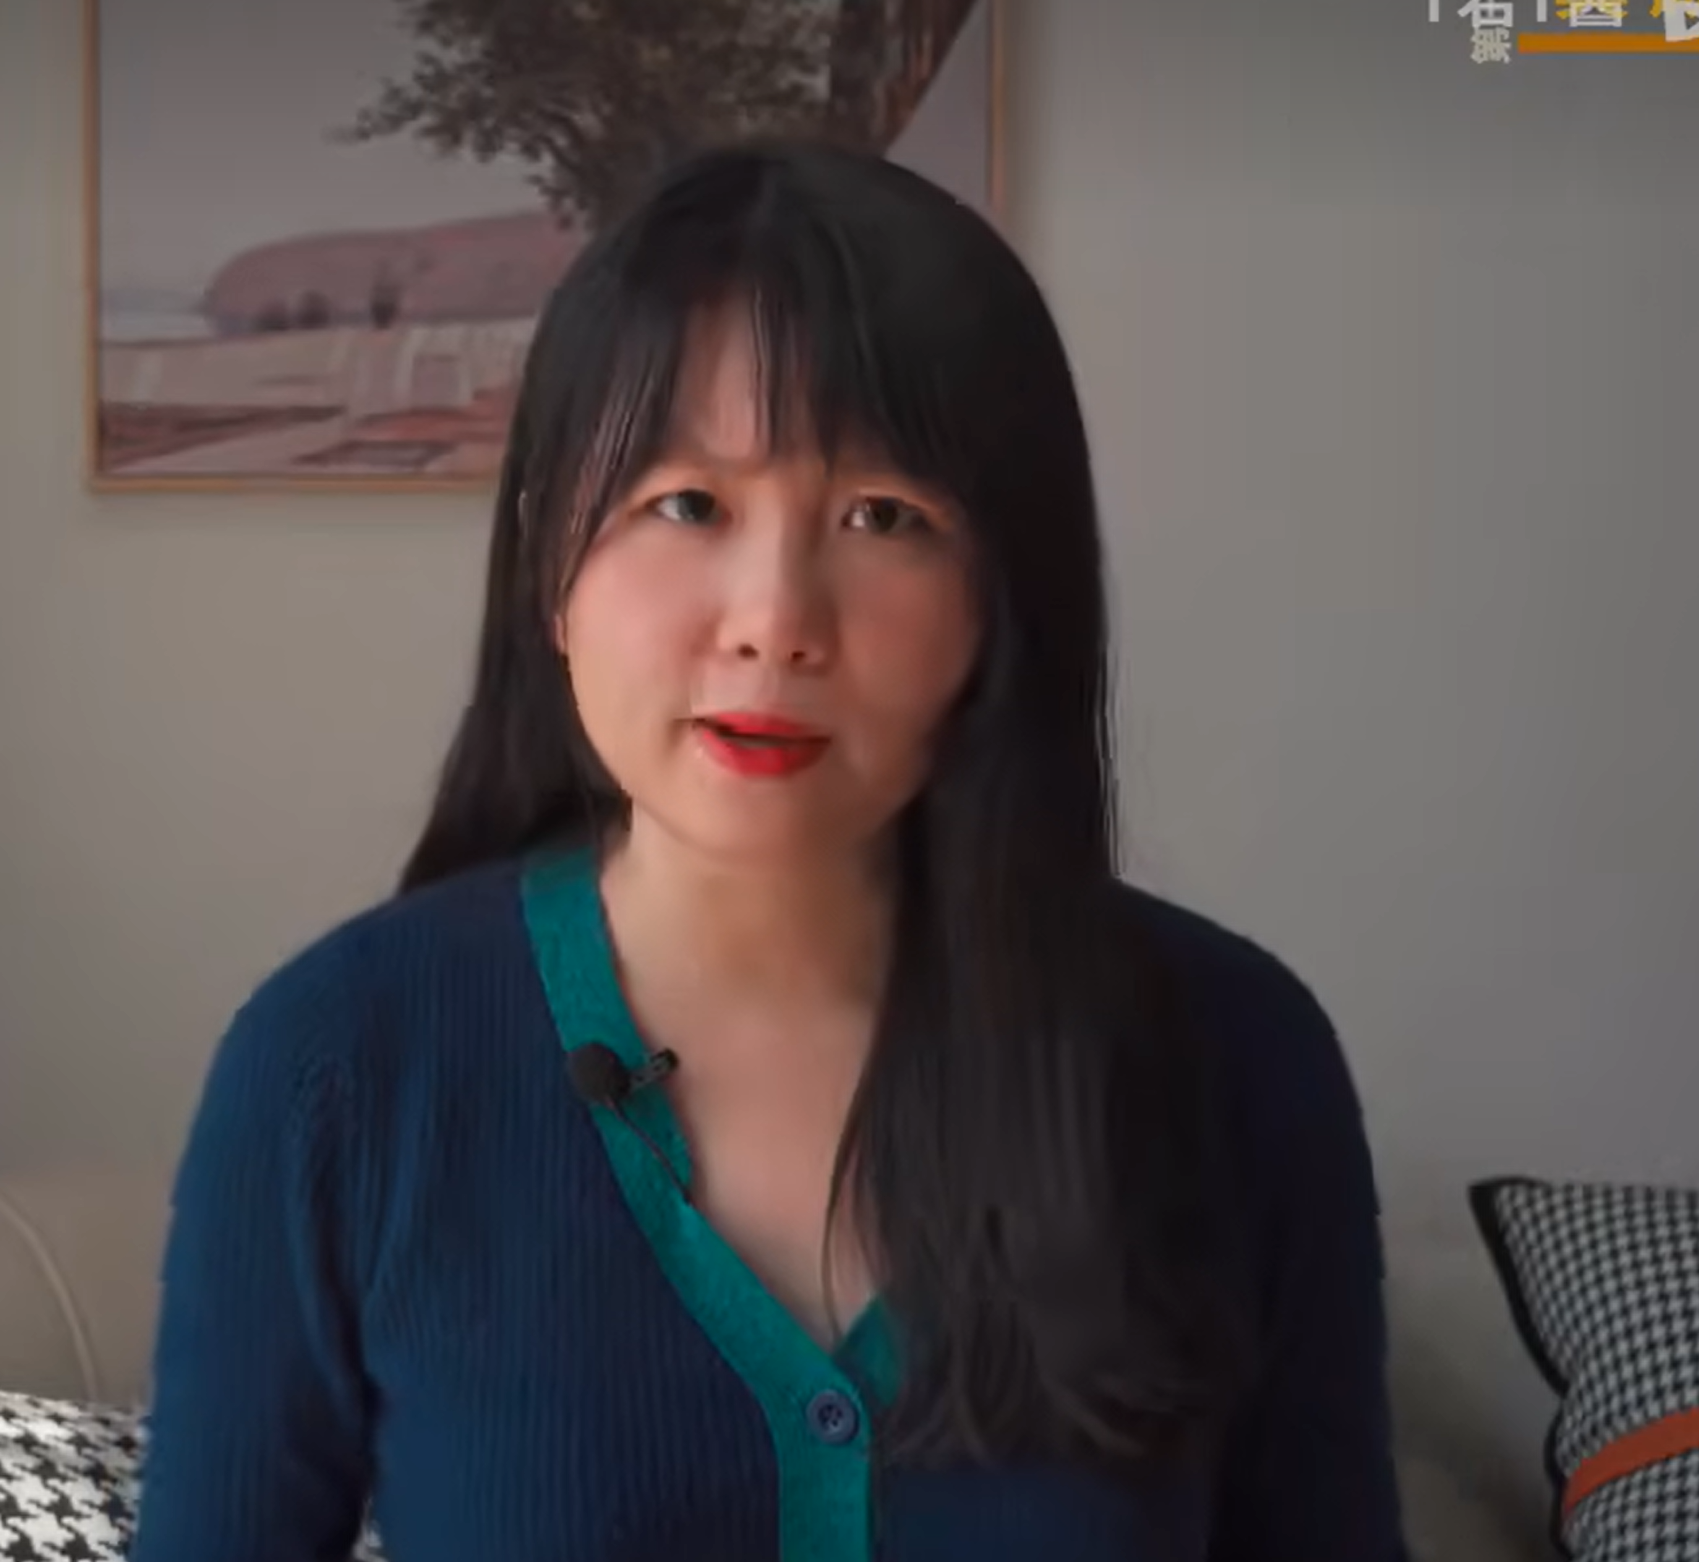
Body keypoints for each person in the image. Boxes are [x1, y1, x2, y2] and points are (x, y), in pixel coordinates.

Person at [127, 142, 1405, 1562]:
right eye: (689, 504)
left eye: (884, 517)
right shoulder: (339, 1065)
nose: (776, 621)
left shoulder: (1238, 1056)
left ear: (1002, 598)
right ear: (551, 560)